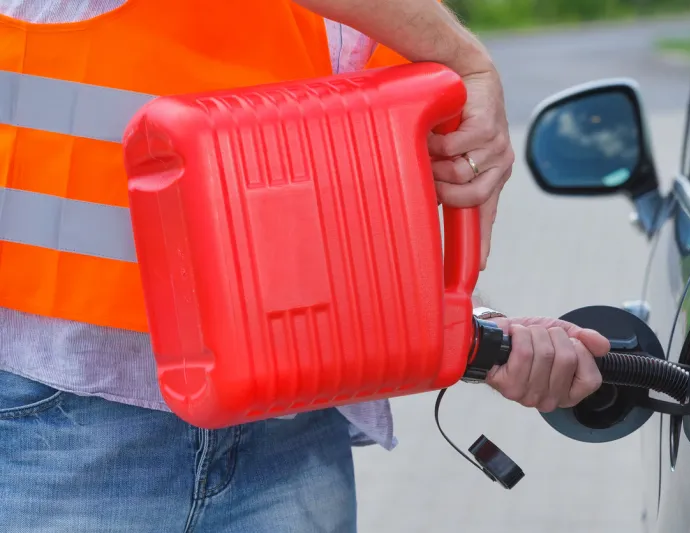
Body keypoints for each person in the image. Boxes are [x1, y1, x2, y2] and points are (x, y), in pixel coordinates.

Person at [0, 1, 609, 532]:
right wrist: (466, 61)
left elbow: (316, 219)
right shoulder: (428, 34)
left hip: (291, 431)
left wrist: (471, 327)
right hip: (67, 425)